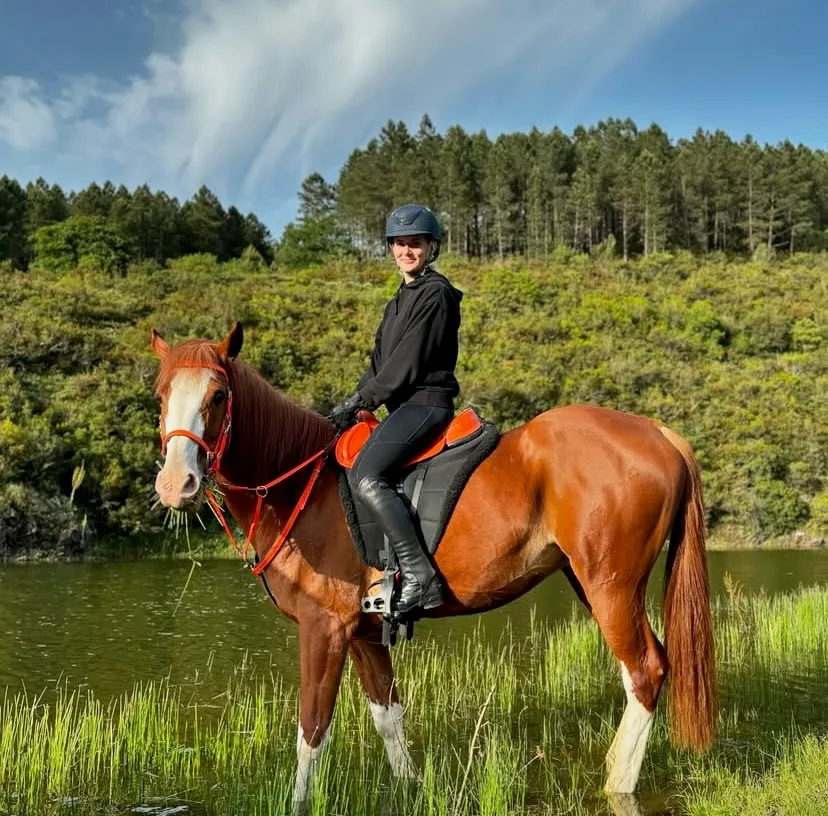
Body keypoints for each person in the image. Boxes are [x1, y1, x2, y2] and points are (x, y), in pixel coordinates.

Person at [329, 203, 463, 616]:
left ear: (431, 247)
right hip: (400, 407)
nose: (407, 250)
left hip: (426, 403)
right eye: (401, 244)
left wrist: (363, 400)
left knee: (367, 473)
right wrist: (351, 406)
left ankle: (420, 576)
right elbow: (379, 364)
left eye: (416, 244)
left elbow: (406, 363)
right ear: (391, 248)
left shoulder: (435, 293)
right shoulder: (396, 303)